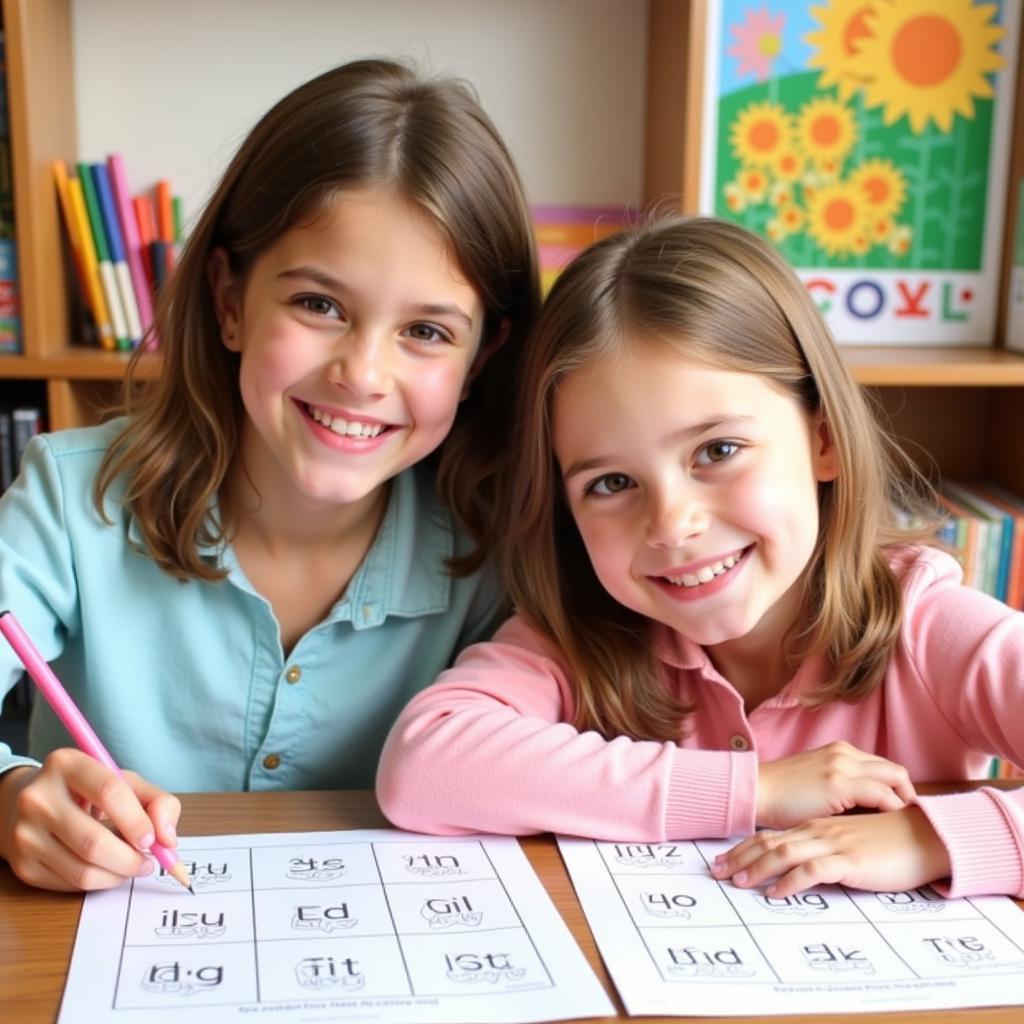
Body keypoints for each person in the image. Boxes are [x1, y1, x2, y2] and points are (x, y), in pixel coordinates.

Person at [0, 58, 540, 892]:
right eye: (319, 305)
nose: (362, 374)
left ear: (481, 361)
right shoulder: (70, 500)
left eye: (427, 332)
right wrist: (6, 795)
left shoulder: (502, 555)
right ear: (227, 300)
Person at [377, 214, 1024, 900]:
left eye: (716, 451)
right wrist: (753, 789)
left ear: (824, 441)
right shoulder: (578, 634)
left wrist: (927, 837)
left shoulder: (930, 630)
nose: (672, 524)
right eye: (612, 484)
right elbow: (425, 762)